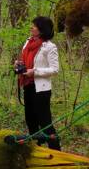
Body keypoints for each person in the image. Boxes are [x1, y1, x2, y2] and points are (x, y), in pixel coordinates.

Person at [17, 15, 61, 150]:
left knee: (45, 123)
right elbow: (25, 60)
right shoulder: (27, 43)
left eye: (34, 26)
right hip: (28, 86)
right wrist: (19, 64)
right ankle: (36, 149)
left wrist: (34, 71)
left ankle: (56, 151)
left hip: (41, 90)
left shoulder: (49, 47)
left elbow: (55, 69)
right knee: (31, 121)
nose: (32, 27)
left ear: (41, 30)